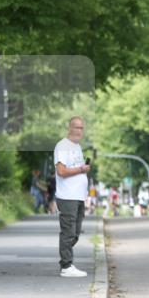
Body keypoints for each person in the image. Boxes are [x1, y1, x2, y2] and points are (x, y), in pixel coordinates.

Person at [53, 117, 90, 278]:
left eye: (81, 128)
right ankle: (66, 265)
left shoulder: (77, 147)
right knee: (68, 231)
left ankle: (67, 261)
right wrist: (81, 170)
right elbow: (61, 171)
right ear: (69, 128)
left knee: (75, 233)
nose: (79, 131)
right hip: (67, 196)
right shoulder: (63, 146)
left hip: (78, 196)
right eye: (76, 127)